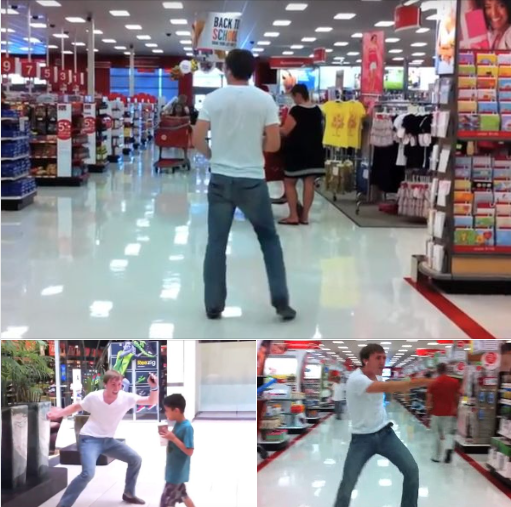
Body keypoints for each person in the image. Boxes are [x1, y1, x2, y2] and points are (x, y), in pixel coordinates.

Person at [192, 49, 296, 321]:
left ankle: (213, 305)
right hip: (252, 181)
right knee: (269, 240)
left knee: (216, 243)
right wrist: (254, 145)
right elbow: (273, 144)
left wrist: (213, 156)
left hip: (220, 180)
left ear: (227, 70)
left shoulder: (213, 99)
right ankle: (281, 301)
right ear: (251, 71)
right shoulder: (264, 100)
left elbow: (197, 139)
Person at [334, 344, 434, 507]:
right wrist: (425, 381)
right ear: (365, 360)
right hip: (361, 439)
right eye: (377, 358)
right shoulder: (356, 379)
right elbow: (388, 387)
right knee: (348, 482)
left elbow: (386, 388)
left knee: (411, 470)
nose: (382, 361)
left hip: (385, 434)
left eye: (383, 358)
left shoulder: (378, 377)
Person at [48, 370, 159, 507]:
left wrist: (154, 387)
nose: (117, 387)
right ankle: (63, 505)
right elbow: (77, 406)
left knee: (135, 459)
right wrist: (59, 413)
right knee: (88, 474)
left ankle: (129, 493)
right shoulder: (94, 397)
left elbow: (151, 401)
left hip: (109, 441)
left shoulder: (126, 397)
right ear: (105, 384)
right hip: (89, 439)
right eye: (113, 384)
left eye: (119, 384)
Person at [279, 84, 325, 225]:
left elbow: (286, 131)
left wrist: (273, 128)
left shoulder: (296, 110)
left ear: (298, 95)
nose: (293, 100)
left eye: (293, 96)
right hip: (315, 151)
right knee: (309, 182)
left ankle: (293, 215)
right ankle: (305, 216)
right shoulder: (318, 110)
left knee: (289, 182)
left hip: (297, 152)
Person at [158, 394, 195, 507]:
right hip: (175, 470)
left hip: (176, 473)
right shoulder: (178, 424)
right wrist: (168, 436)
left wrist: (173, 438)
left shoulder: (187, 427)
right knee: (183, 495)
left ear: (177, 410)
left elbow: (189, 451)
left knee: (165, 503)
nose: (166, 413)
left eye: (167, 410)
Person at [426, 362, 460, 464]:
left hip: (436, 413)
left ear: (437, 370)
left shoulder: (433, 383)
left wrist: (428, 411)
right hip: (450, 412)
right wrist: (456, 407)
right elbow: (457, 397)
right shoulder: (454, 382)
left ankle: (436, 457)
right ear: (446, 370)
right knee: (449, 434)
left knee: (436, 435)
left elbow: (429, 399)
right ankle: (449, 450)